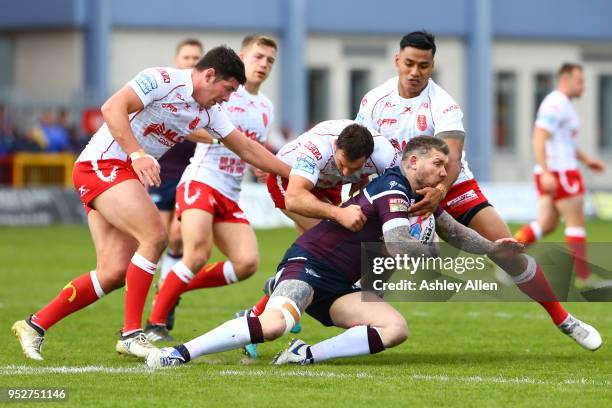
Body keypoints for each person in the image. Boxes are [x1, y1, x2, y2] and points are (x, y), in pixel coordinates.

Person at [146, 136, 600, 369]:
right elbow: (403, 244)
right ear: (412, 159)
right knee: (273, 324)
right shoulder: (392, 187)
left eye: (448, 167)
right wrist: (434, 259)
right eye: (438, 164)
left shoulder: (423, 198)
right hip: (310, 264)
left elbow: (456, 233)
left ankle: (305, 355)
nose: (444, 173)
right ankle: (180, 353)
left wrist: (491, 247)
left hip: (340, 283)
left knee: (394, 328)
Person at [11, 45, 291, 361]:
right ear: (209, 74)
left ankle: (35, 324)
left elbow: (248, 149)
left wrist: (294, 172)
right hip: (101, 167)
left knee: (113, 272)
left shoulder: (210, 110)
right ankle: (132, 334)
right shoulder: (161, 79)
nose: (227, 98)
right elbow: (112, 108)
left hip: (121, 174)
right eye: (226, 90)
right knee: (155, 236)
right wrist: (137, 154)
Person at [355, 31, 587, 338]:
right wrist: (358, 188)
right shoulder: (374, 101)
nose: (415, 72)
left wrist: (438, 193)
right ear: (397, 61)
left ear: (432, 66)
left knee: (507, 251)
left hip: (452, 186)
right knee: (372, 265)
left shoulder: (443, 104)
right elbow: (362, 149)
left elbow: (452, 155)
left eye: (423, 65)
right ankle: (345, 325)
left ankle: (563, 318)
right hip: (397, 189)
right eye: (409, 63)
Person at [144, 35, 278, 341]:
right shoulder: (224, 92)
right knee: (196, 253)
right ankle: (155, 325)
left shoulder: (266, 106)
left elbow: (252, 148)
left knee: (246, 264)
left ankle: (173, 285)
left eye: (270, 60)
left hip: (231, 191)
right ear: (243, 56)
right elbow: (184, 122)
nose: (264, 65)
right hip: (202, 179)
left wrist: (262, 166)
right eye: (258, 57)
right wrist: (219, 138)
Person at [513, 63, 607, 288]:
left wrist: (586, 160)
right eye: (580, 81)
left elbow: (564, 141)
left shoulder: (563, 104)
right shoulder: (556, 104)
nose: (583, 86)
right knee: (576, 222)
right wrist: (547, 172)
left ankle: (505, 257)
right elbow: (539, 137)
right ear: (565, 80)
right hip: (560, 172)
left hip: (557, 170)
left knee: (546, 224)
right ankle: (583, 277)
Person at [149, 39, 204, 295]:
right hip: (160, 174)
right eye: (187, 57)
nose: (192, 61)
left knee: (177, 234)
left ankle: (166, 291)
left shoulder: (206, 97)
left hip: (190, 176)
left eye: (197, 58)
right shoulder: (169, 90)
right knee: (158, 236)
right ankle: (158, 283)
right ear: (177, 60)